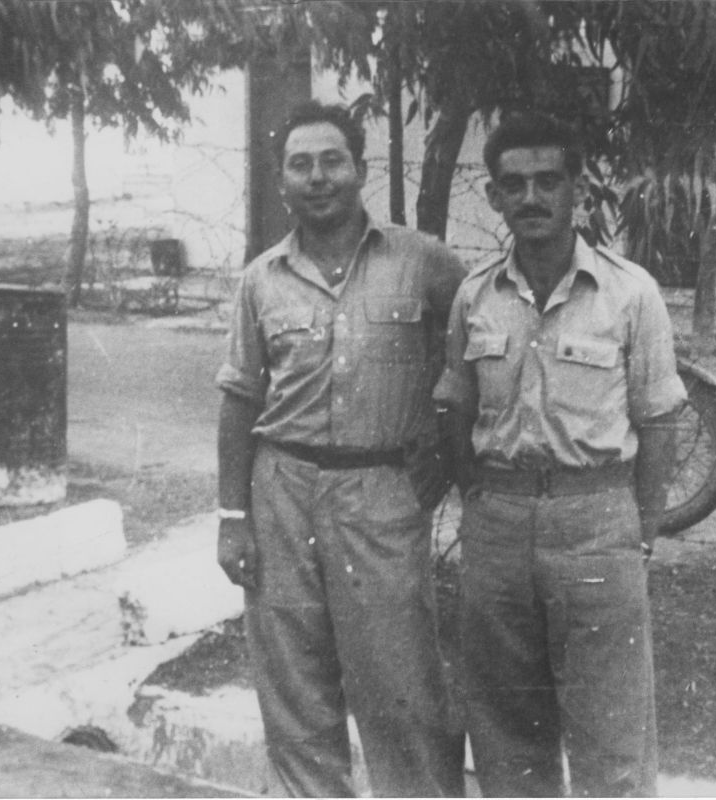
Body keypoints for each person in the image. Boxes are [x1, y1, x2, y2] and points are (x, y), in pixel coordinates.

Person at [215, 100, 466, 797]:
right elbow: (239, 399)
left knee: (402, 688)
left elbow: (475, 356)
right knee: (294, 690)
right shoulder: (261, 279)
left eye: (332, 161)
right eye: (301, 165)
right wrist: (232, 517)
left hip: (380, 491)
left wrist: (443, 450)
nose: (317, 177)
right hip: (281, 490)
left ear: (360, 169)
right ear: (282, 180)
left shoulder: (423, 261)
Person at [434, 112, 686, 797]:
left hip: (595, 522)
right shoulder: (475, 295)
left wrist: (640, 531)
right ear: (494, 196)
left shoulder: (630, 293)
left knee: (612, 733)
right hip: (499, 525)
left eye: (548, 180)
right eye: (514, 184)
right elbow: (456, 408)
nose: (532, 196)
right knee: (506, 732)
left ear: (578, 189)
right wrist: (482, 499)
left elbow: (659, 421)